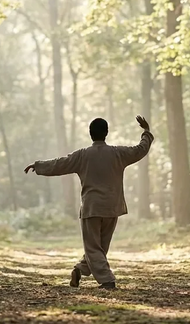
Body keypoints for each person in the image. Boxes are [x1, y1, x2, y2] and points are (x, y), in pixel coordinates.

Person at [24, 116, 154, 289]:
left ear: (90, 134)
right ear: (106, 133)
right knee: (99, 248)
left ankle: (107, 280)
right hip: (112, 207)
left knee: (93, 248)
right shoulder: (118, 153)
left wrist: (39, 166)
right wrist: (146, 132)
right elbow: (139, 150)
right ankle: (80, 269)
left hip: (92, 208)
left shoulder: (83, 155)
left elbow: (60, 164)